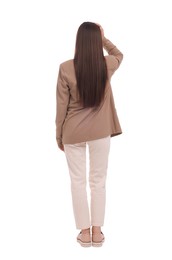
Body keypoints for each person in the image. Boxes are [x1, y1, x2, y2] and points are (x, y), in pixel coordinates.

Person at [55, 22, 123, 247]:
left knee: (77, 182)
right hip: (101, 132)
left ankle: (84, 233)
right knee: (98, 181)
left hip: (72, 133)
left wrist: (59, 135)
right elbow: (119, 54)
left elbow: (61, 108)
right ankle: (98, 231)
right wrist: (103, 38)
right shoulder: (107, 64)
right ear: (96, 43)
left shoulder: (65, 68)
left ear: (78, 42)